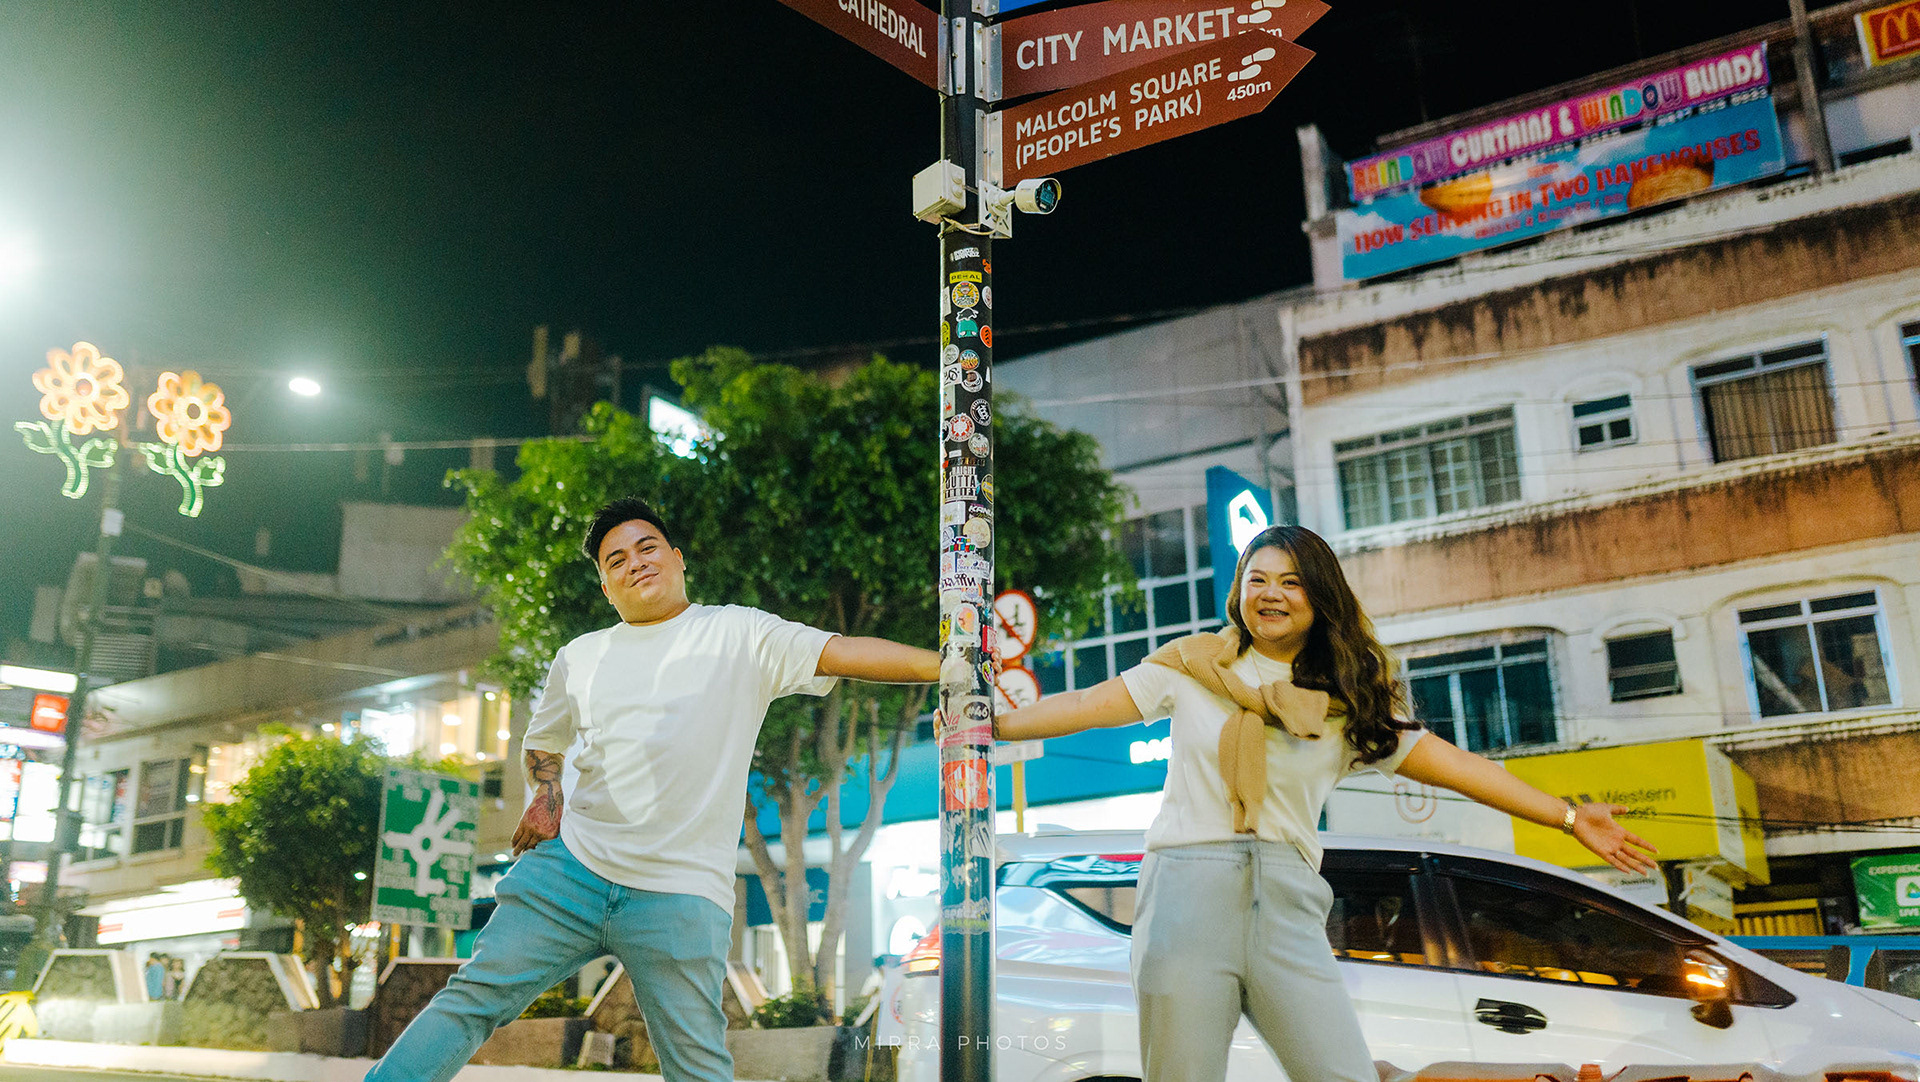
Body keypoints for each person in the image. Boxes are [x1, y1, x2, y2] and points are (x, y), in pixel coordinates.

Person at [994, 524, 1657, 1082]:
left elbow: (1459, 768)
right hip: (1185, 901)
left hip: (1287, 906)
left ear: (1320, 596)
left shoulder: (1346, 702)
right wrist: (989, 723)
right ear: (1239, 592)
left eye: (1291, 582)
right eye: (1257, 579)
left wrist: (1569, 817)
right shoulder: (1190, 666)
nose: (1271, 593)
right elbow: (1084, 704)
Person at [366, 497, 940, 1082]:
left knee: (698, 1067)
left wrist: (950, 667)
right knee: (470, 1000)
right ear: (606, 587)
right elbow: (546, 741)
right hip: (570, 873)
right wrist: (545, 796)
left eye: (647, 547)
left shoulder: (740, 632)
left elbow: (842, 651)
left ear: (678, 558)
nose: (635, 562)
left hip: (681, 893)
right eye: (616, 560)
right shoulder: (580, 656)